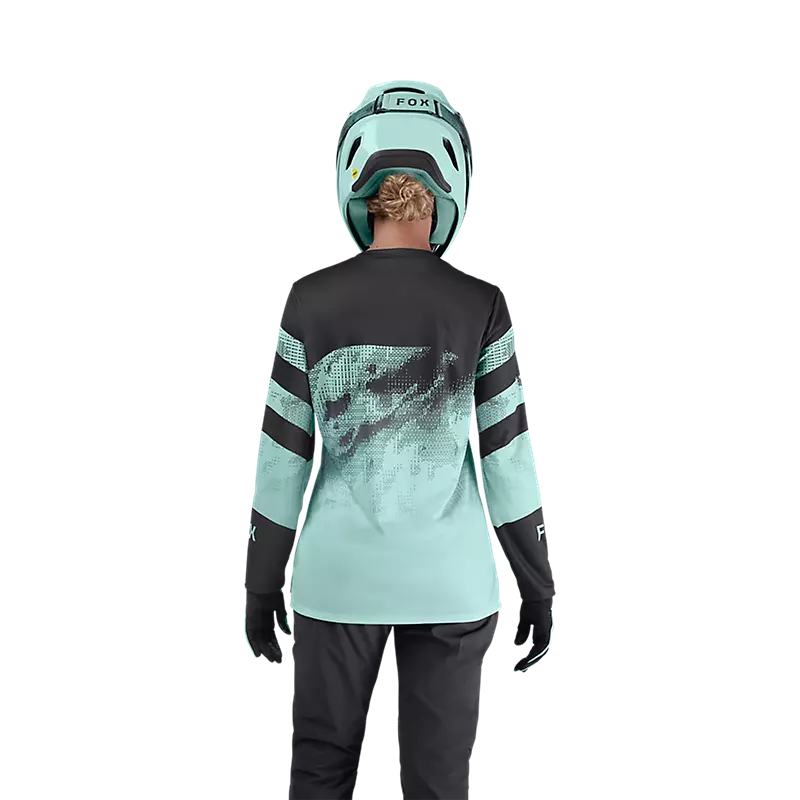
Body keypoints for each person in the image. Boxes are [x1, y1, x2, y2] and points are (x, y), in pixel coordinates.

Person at [243, 80, 556, 799]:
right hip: (451, 586)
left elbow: (281, 462)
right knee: (438, 785)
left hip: (336, 582)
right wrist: (539, 586)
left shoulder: (309, 300)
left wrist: (260, 582)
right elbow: (509, 462)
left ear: (357, 183)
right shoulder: (481, 304)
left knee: (320, 771)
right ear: (451, 186)